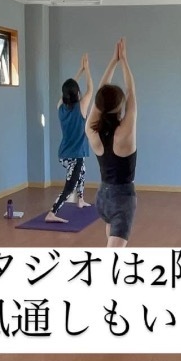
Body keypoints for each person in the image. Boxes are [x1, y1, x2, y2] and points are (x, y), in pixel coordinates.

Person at [86, 38, 137, 247]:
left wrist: (113, 62)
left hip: (103, 198)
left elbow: (100, 97)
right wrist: (123, 60)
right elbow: (131, 92)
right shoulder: (124, 134)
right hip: (121, 200)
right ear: (119, 106)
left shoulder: (92, 131)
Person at [45, 54, 94, 223]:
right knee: (70, 185)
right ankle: (52, 212)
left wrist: (79, 70)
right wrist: (87, 70)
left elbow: (68, 90)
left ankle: (80, 200)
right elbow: (90, 89)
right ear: (77, 93)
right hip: (74, 155)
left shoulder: (60, 106)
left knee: (82, 171)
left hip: (65, 153)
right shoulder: (81, 107)